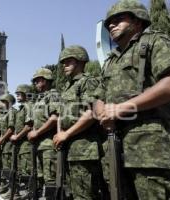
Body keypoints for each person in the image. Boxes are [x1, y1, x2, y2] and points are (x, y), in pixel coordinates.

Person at [94, 0, 170, 199]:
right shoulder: (111, 61)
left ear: (138, 21)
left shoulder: (155, 42)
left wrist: (122, 108)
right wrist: (102, 111)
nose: (111, 25)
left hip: (150, 150)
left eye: (119, 19)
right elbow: (97, 98)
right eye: (109, 22)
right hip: (115, 149)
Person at [53, 45, 106, 199]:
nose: (64, 65)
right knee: (73, 193)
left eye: (68, 61)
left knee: (85, 195)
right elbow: (60, 115)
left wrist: (66, 133)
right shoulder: (67, 87)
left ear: (80, 61)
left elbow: (91, 112)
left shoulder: (87, 82)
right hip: (69, 147)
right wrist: (59, 133)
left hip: (84, 149)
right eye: (63, 62)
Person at [27, 68, 61, 199]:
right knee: (41, 179)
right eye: (34, 81)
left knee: (51, 181)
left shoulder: (53, 95)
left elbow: (54, 118)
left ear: (45, 80)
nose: (35, 83)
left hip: (49, 146)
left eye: (37, 80)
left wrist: (37, 133)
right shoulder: (40, 99)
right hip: (39, 145)